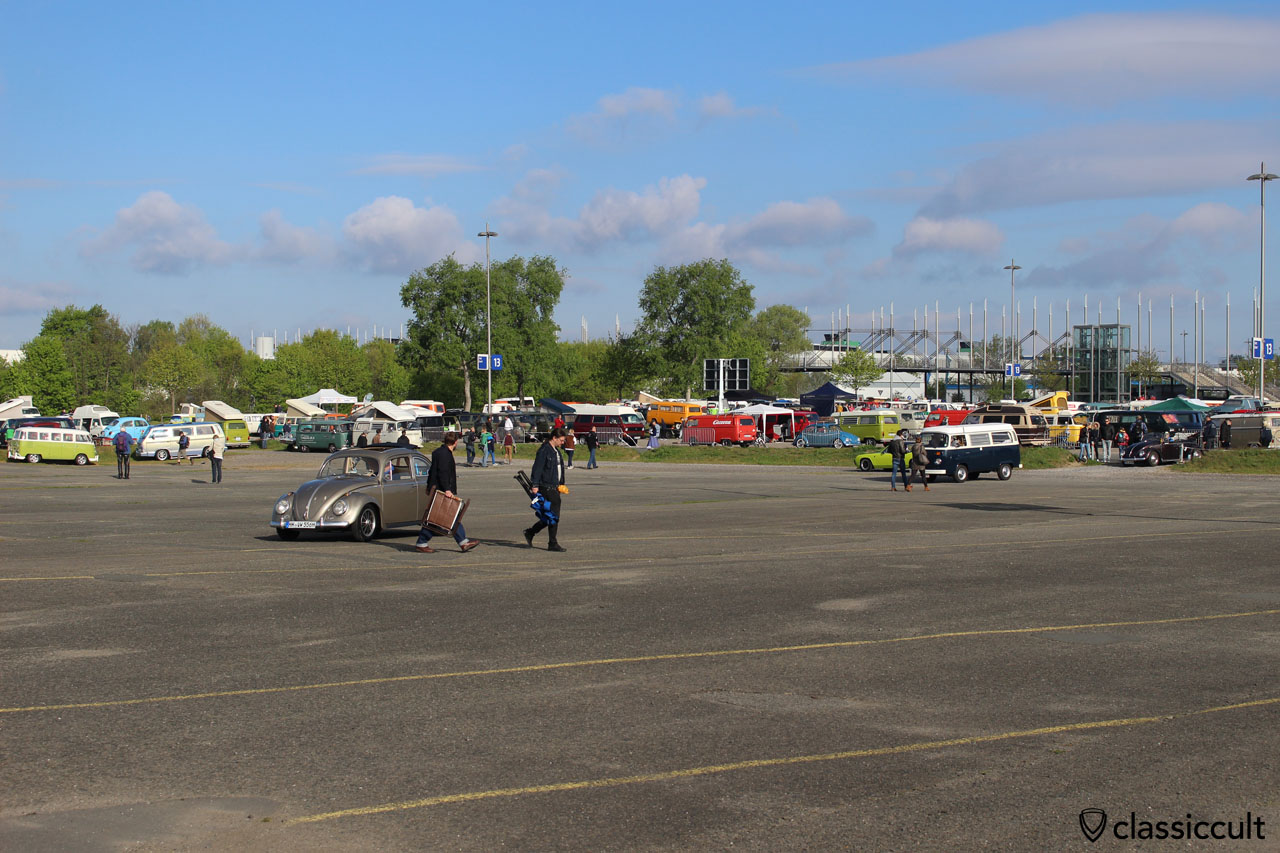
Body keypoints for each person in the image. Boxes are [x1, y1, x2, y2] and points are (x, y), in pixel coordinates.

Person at [415, 432, 478, 553]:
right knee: (448, 516)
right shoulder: (445, 455)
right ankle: (462, 542)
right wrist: (447, 490)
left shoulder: (438, 452)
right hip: (442, 490)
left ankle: (423, 542)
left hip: (436, 489)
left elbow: (432, 471)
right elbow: (442, 473)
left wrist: (429, 486)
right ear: (455, 443)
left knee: (440, 517)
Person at [524, 428, 568, 552]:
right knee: (554, 515)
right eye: (561, 440)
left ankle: (531, 532)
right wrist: (535, 485)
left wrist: (561, 484)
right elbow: (537, 469)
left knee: (550, 515)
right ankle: (552, 543)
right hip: (546, 487)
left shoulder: (556, 452)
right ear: (554, 438)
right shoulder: (544, 450)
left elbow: (560, 469)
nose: (562, 443)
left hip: (555, 487)